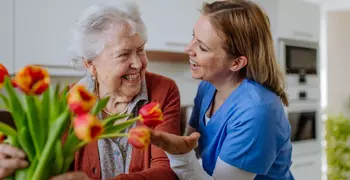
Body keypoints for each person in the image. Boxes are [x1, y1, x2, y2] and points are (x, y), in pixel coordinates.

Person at [0, 3, 181, 180]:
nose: (138, 63)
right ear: (90, 64)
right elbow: (46, 166)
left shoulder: (163, 91)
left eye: (140, 50)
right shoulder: (66, 102)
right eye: (124, 54)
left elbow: (167, 171)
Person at [150, 0, 294, 180]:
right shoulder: (208, 86)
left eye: (202, 47)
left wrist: (180, 155)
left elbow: (186, 155)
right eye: (193, 36)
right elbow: (191, 145)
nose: (188, 49)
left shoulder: (257, 112)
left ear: (236, 63)